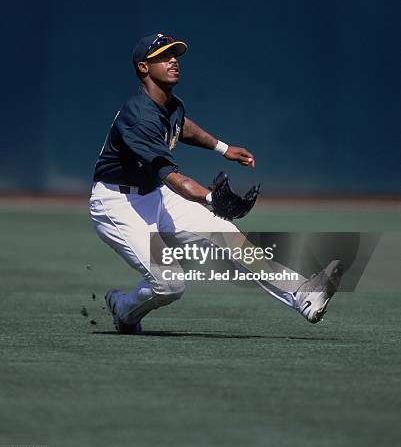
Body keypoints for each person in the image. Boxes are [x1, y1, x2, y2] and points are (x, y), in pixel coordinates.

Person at [89, 33, 342, 334]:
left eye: (175, 55)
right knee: (170, 283)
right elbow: (175, 179)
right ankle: (124, 310)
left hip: (153, 194)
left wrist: (223, 148)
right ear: (144, 68)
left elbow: (182, 128)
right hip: (118, 205)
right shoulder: (140, 116)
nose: (173, 61)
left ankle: (304, 296)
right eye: (163, 57)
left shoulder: (170, 105)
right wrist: (211, 199)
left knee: (228, 235)